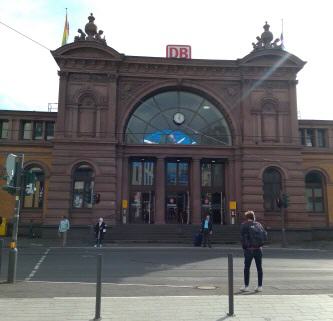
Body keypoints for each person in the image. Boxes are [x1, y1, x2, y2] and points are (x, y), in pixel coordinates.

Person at [240, 210, 267, 292]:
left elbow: (242, 238)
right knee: (259, 268)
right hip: (259, 249)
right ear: (253, 217)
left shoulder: (244, 225)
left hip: (249, 250)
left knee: (247, 268)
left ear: (247, 217)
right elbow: (265, 236)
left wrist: (244, 248)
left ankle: (246, 286)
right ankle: (260, 286)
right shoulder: (259, 225)